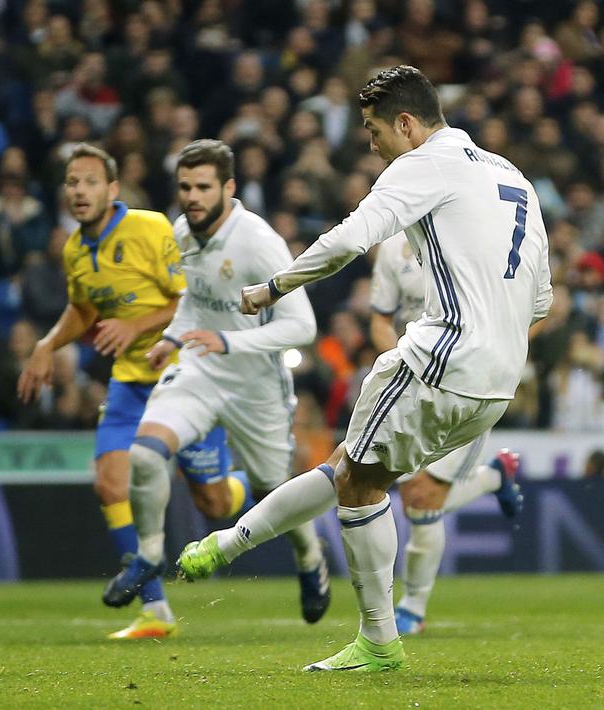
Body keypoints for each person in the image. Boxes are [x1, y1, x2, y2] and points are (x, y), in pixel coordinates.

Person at [177, 66, 552, 671]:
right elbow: (541, 303)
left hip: (443, 357)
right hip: (499, 382)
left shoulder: (424, 165)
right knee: (353, 470)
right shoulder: (516, 179)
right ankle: (226, 546)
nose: (372, 146)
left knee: (356, 481)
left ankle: (378, 639)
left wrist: (273, 287)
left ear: (407, 124)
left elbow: (351, 238)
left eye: (376, 131)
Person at [113, 139, 330, 625]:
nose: (192, 197)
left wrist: (228, 341)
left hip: (255, 385)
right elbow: (193, 298)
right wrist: (172, 338)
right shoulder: (182, 231)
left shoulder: (257, 241)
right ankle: (148, 555)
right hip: (199, 368)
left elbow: (302, 327)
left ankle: (310, 558)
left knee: (274, 492)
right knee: (146, 452)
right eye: (185, 187)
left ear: (229, 188)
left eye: (203, 187)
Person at [16, 143, 194, 641]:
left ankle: (248, 481)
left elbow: (191, 302)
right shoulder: (74, 249)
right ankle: (156, 609)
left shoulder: (150, 227)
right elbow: (84, 309)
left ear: (112, 189)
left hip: (181, 376)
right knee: (110, 484)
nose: (79, 191)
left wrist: (135, 323)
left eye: (90, 181)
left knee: (217, 498)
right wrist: (47, 344)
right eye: (72, 182)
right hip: (128, 382)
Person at [368, 231, 524, 635]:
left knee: (421, 494)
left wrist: (506, 353)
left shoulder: (476, 227)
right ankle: (495, 475)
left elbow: (534, 306)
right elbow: (380, 319)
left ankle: (413, 609)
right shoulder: (393, 245)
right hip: (417, 382)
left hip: (473, 379)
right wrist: (402, 357)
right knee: (416, 499)